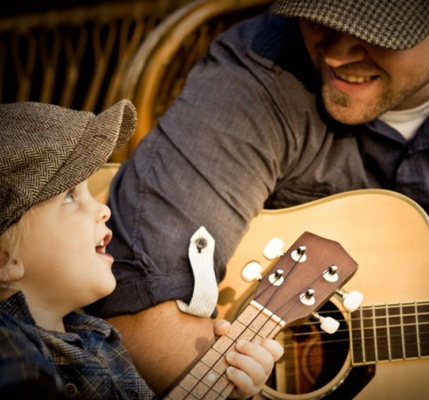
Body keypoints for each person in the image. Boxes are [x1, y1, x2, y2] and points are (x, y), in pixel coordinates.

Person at [90, 0, 429, 397]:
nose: (337, 55)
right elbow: (142, 316)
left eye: (377, 33)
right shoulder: (255, 75)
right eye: (318, 17)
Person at [0, 100, 282, 399]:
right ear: (5, 257)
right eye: (70, 197)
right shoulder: (10, 347)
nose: (102, 209)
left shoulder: (103, 342)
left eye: (88, 192)